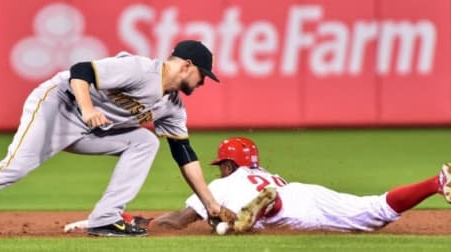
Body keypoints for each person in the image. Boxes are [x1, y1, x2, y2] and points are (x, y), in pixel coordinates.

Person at [0, 39, 223, 237]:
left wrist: (209, 203)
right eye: (203, 74)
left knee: (145, 142)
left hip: (91, 128)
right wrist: (88, 108)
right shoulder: (141, 70)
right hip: (59, 106)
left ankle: (105, 219)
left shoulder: (173, 107)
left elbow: (184, 153)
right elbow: (80, 70)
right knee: (15, 168)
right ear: (186, 65)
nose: (203, 81)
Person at [66, 136, 451, 234]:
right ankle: (436, 182)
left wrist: (122, 221)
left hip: (287, 206)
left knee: (227, 225)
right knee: (377, 210)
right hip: (304, 190)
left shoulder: (223, 185)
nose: (218, 170)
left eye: (221, 165)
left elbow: (175, 222)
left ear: (228, 164)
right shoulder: (264, 173)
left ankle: (261, 210)